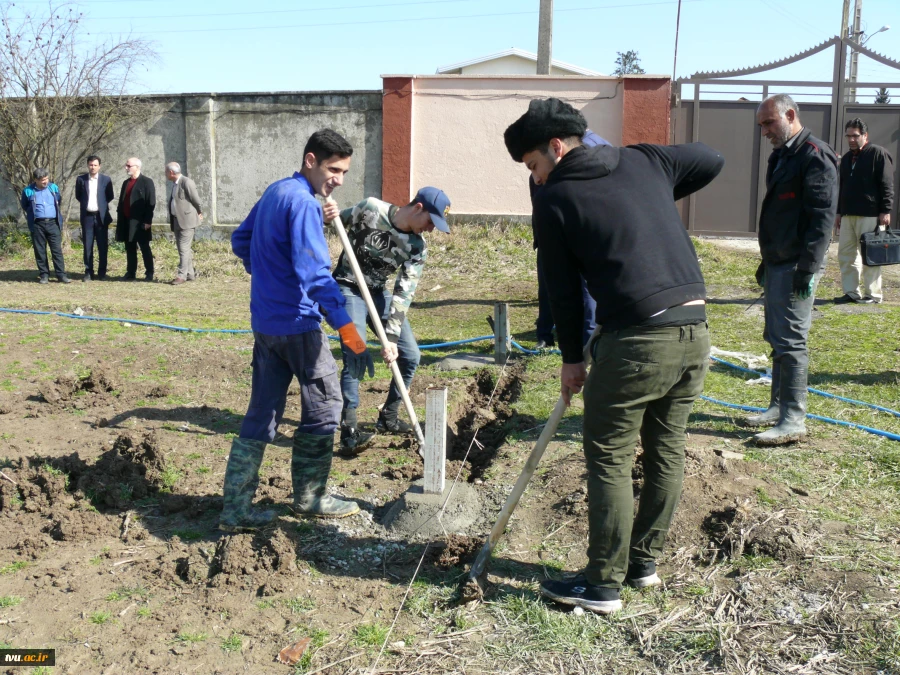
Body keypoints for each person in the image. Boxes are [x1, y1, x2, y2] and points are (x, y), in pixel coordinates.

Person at [504, 98, 724, 615]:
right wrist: (656, 191)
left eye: (534, 165)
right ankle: (643, 565)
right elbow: (711, 156)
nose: (535, 178)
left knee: (609, 456)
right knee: (666, 449)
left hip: (637, 342)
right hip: (695, 331)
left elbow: (560, 289)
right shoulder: (646, 161)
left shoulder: (557, 198)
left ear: (556, 147)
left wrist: (572, 358)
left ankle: (602, 585)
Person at [223, 128, 393, 532]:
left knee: (262, 412)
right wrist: (351, 334)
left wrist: (267, 274)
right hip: (299, 326)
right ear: (311, 161)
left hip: (265, 323)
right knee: (325, 407)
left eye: (345, 172)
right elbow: (317, 278)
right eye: (333, 169)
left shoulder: (276, 192)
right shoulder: (301, 204)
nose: (338, 179)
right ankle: (311, 496)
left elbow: (240, 240)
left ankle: (235, 510)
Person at [324, 187, 451, 455]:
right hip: (347, 287)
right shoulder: (370, 208)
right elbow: (334, 219)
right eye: (430, 222)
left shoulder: (417, 247)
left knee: (411, 355)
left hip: (378, 293)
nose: (430, 230)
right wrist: (326, 215)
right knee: (355, 349)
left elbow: (404, 292)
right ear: (418, 207)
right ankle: (349, 429)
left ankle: (389, 416)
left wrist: (391, 337)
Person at [747, 94, 838, 445]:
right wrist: (766, 259)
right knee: (776, 336)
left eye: (769, 123)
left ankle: (793, 419)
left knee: (792, 341)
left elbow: (821, 219)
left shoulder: (815, 156)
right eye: (762, 126)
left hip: (798, 264)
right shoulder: (783, 156)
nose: (765, 131)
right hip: (777, 261)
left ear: (789, 114)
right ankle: (776, 407)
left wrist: (808, 268)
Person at [533, 129, 609, 349]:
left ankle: (587, 342)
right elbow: (538, 198)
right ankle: (544, 335)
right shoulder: (542, 160)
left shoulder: (593, 148)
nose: (536, 175)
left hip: (582, 233)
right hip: (550, 233)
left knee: (586, 291)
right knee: (548, 285)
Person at [834, 118, 894, 304]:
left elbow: (886, 184)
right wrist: (838, 212)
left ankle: (873, 295)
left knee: (871, 255)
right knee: (846, 254)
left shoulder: (878, 153)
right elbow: (841, 186)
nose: (851, 139)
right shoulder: (845, 159)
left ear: (865, 136)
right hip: (848, 215)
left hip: (871, 215)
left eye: (856, 135)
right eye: (848, 136)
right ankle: (851, 292)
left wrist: (885, 210)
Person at [20, 168, 71, 284]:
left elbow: (59, 201)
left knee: (57, 250)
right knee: (40, 250)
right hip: (37, 224)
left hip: (53, 223)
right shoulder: (27, 191)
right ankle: (44, 275)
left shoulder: (53, 188)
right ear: (35, 180)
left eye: (46, 179)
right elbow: (25, 205)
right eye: (42, 180)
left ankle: (61, 275)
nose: (45, 181)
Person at [74, 155, 115, 282]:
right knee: (87, 245)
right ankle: (88, 272)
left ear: (99, 166)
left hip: (101, 217)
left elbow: (109, 196)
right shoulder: (81, 180)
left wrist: (100, 207)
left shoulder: (106, 180)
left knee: (103, 245)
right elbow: (79, 196)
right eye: (91, 165)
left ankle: (102, 272)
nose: (93, 167)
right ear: (87, 165)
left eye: (95, 165)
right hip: (87, 217)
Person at [115, 157, 156, 281]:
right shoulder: (126, 183)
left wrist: (148, 221)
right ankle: (131, 272)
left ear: (137, 167)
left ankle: (149, 273)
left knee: (144, 248)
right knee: (130, 248)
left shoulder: (147, 182)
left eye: (129, 166)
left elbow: (151, 202)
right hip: (127, 221)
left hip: (141, 222)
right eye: (126, 165)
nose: (126, 168)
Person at [165, 162, 203, 285]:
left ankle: (181, 275)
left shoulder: (186, 182)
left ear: (171, 172)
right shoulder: (174, 184)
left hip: (187, 221)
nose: (165, 174)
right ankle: (190, 274)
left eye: (166, 171)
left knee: (183, 248)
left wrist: (199, 211)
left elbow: (196, 199)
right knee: (184, 249)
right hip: (177, 220)